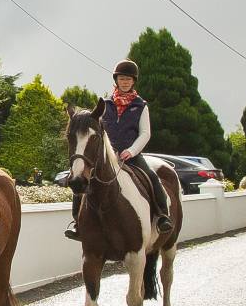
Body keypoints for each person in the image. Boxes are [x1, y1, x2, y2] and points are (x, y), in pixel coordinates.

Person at [65, 58, 174, 241]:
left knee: (151, 176)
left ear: (133, 82)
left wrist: (131, 151)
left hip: (130, 155)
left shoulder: (141, 106)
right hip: (107, 155)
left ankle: (162, 216)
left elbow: (145, 133)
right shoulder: (105, 105)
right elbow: (95, 131)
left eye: (128, 79)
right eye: (122, 79)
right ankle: (78, 223)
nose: (125, 82)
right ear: (116, 80)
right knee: (82, 179)